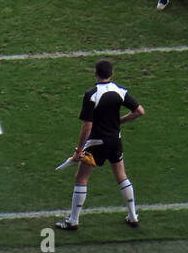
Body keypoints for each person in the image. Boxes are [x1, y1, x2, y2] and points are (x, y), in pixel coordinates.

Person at [56, 60, 144, 231]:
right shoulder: (120, 91)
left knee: (81, 178)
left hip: (96, 143)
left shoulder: (92, 94)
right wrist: (120, 121)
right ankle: (133, 216)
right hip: (115, 140)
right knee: (121, 176)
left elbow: (87, 126)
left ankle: (73, 221)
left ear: (95, 73)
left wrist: (79, 150)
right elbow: (139, 111)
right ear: (112, 74)